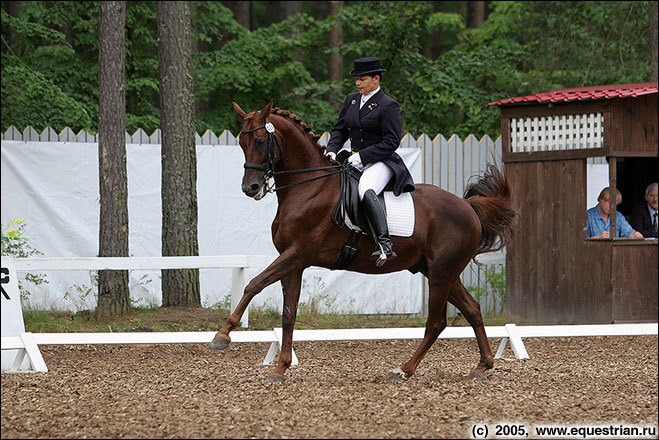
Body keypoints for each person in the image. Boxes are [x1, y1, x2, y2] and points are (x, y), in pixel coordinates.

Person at [324, 57, 415, 266]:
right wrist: (331, 150)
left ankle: (384, 244)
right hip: (354, 160)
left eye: (362, 79)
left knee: (366, 189)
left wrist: (362, 156)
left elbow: (391, 141)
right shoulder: (351, 100)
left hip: (381, 161)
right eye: (356, 80)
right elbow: (340, 129)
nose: (358, 83)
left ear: (376, 79)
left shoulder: (388, 105)